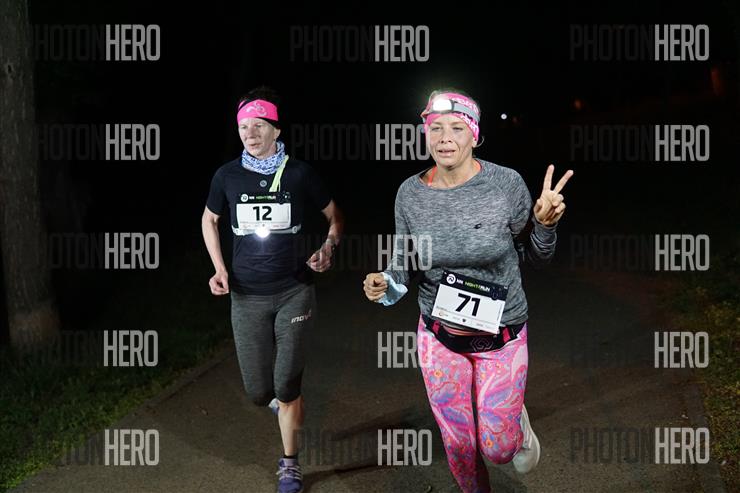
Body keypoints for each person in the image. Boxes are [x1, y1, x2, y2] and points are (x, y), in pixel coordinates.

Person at [363, 89, 573, 493]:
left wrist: (545, 225)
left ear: (474, 135)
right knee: (459, 446)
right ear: (425, 134)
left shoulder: (505, 184)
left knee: (498, 447)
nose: (445, 138)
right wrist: (386, 283)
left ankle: (517, 428)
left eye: (457, 128)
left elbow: (536, 257)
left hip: (501, 336)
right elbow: (403, 262)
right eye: (435, 128)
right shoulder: (410, 193)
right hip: (439, 336)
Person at [202, 86, 343, 493]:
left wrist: (328, 247)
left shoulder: (299, 174)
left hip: (294, 291)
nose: (250, 133)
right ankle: (284, 405)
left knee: (287, 385)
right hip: (246, 295)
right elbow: (209, 220)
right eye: (244, 127)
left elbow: (335, 217)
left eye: (259, 125)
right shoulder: (226, 176)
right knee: (258, 392)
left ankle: (289, 463)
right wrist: (219, 268)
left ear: (276, 130)